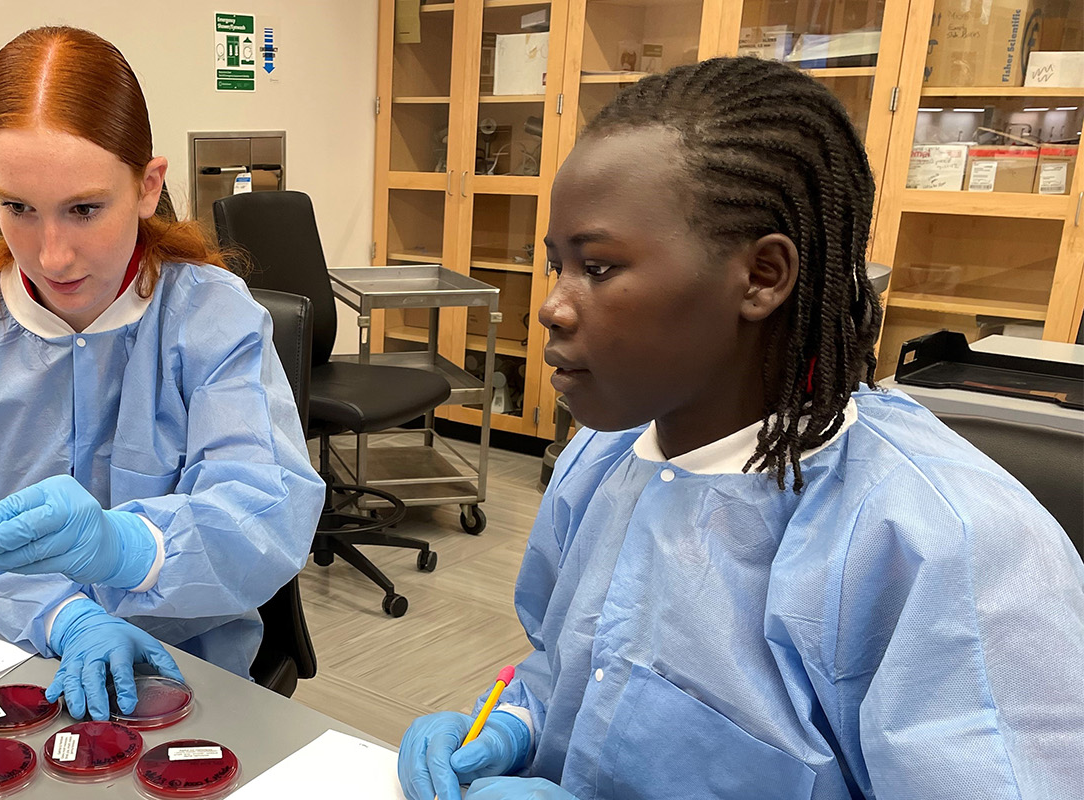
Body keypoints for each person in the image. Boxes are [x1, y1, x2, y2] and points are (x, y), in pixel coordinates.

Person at [398, 57, 1084, 800]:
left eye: (597, 268)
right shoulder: (601, 459)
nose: (553, 308)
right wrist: (514, 725)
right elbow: (575, 673)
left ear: (760, 275)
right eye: (555, 265)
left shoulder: (944, 546)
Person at [0, 26, 323, 722]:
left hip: (187, 673)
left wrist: (130, 548)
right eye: (18, 208)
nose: (52, 256)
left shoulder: (211, 318)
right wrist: (67, 618)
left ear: (147, 186)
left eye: (85, 209)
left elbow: (263, 516)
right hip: (6, 671)